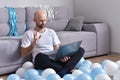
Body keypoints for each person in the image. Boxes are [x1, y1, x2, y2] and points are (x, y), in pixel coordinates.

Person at [21, 10, 85, 77]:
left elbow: (57, 47)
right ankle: (66, 69)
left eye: (45, 20)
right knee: (40, 56)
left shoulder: (51, 32)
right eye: (40, 21)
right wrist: (33, 44)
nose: (43, 23)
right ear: (34, 20)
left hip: (54, 59)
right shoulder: (28, 33)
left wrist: (61, 56)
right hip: (42, 60)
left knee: (80, 50)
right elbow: (23, 53)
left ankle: (64, 71)